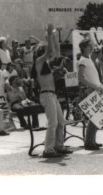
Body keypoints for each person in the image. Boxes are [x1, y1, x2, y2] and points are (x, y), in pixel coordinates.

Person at [35, 24, 72, 157]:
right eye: (44, 50)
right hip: (46, 95)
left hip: (52, 95)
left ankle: (59, 146)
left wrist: (54, 36)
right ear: (41, 52)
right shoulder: (39, 61)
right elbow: (51, 50)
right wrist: (50, 34)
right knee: (53, 123)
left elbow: (56, 51)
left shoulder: (47, 64)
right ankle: (48, 149)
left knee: (61, 122)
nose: (48, 53)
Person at [77, 36, 103, 150]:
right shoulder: (83, 60)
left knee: (97, 117)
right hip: (92, 90)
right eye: (89, 46)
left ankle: (92, 140)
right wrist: (94, 86)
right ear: (84, 47)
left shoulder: (88, 59)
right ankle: (89, 142)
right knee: (94, 117)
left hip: (96, 89)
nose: (91, 48)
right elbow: (81, 78)